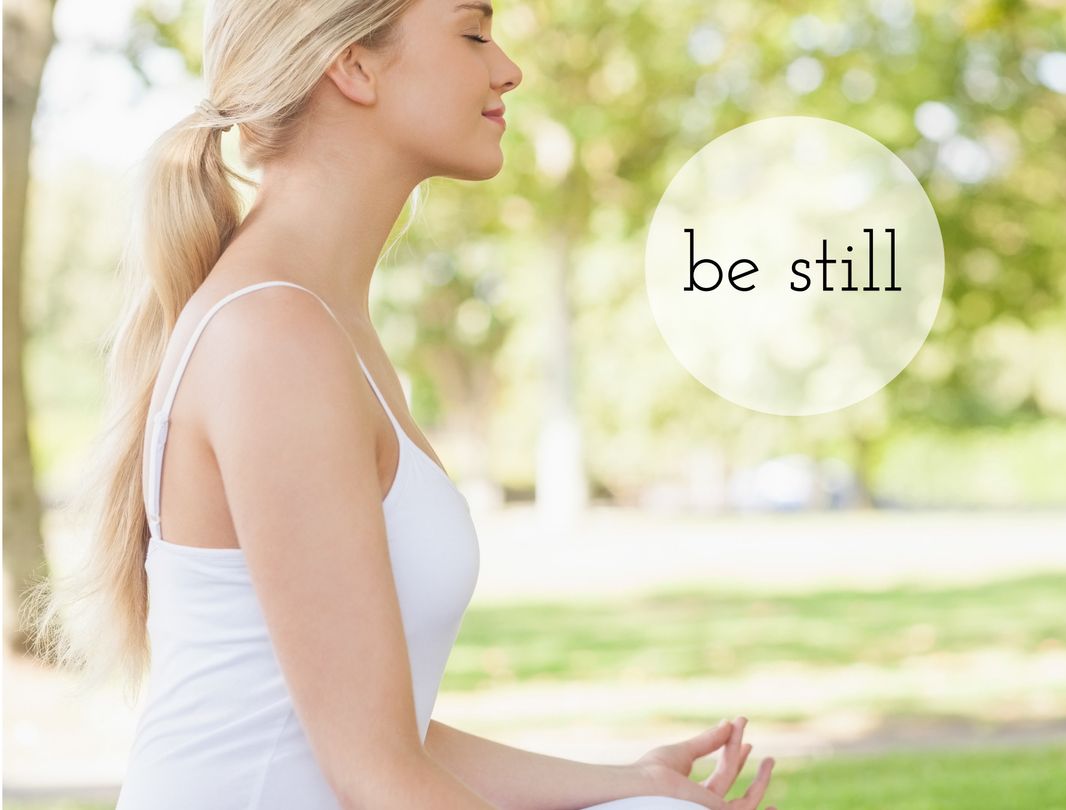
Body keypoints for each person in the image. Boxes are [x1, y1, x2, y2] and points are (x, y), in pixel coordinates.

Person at [29, 1, 780, 808]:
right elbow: (376, 780)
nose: (508, 69)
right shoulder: (275, 335)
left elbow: (371, 732)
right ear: (353, 65)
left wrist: (626, 783)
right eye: (472, 32)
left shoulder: (316, 321)